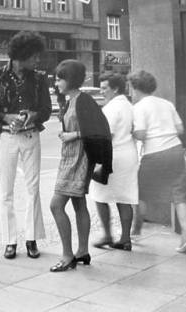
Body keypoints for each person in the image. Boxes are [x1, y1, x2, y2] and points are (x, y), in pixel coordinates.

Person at [0, 31, 52, 259]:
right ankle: (9, 241)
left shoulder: (40, 78)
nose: (37, 61)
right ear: (22, 55)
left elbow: (47, 110)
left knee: (33, 188)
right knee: (6, 190)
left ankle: (31, 239)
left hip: (31, 136)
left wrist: (33, 115)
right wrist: (6, 117)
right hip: (7, 136)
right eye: (34, 57)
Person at [50, 60, 112, 272]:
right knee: (78, 204)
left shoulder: (84, 100)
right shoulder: (71, 99)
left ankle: (68, 255)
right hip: (70, 157)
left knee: (56, 205)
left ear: (71, 79)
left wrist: (72, 134)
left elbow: (102, 130)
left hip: (80, 158)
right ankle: (83, 251)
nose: (56, 82)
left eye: (60, 78)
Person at [129, 70, 186, 253]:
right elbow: (180, 129)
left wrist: (131, 132)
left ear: (135, 88)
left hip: (155, 153)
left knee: (140, 194)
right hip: (175, 150)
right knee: (179, 197)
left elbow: (141, 134)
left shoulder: (139, 107)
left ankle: (135, 231)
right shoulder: (167, 104)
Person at [90, 73, 138, 251]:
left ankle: (107, 235)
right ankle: (125, 239)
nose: (102, 92)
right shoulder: (129, 105)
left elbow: (105, 135)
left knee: (99, 195)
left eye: (104, 88)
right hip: (128, 154)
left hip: (112, 156)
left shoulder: (111, 108)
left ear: (115, 88)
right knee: (124, 197)